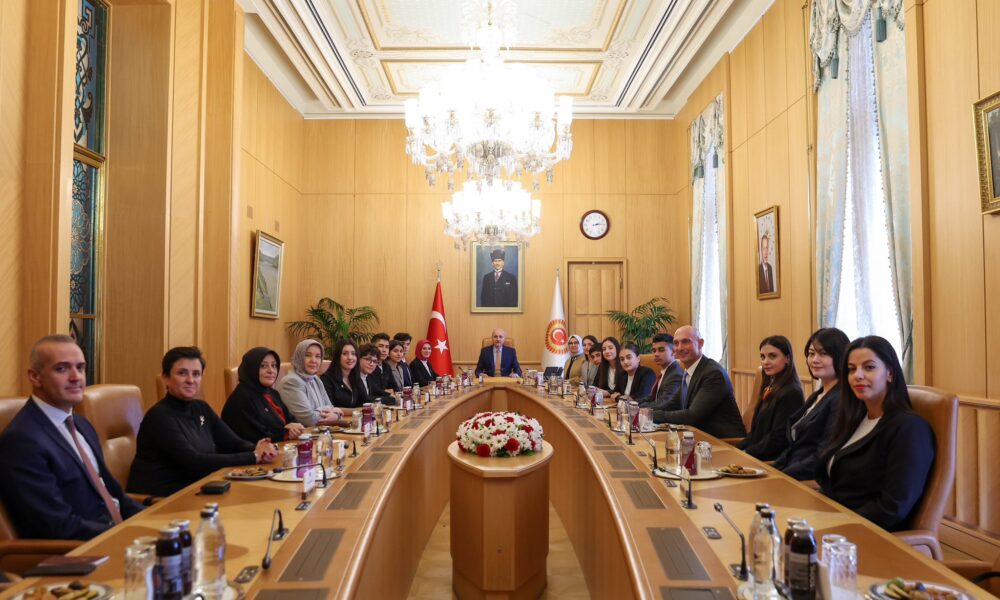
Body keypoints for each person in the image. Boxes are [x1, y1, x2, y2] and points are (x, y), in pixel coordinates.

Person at [0, 335, 143, 540]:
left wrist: (152, 522)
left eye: (80, 368)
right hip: (79, 550)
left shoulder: (81, 424)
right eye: (62, 369)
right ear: (35, 377)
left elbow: (115, 494)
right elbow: (58, 526)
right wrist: (126, 534)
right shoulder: (22, 441)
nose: (76, 377)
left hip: (114, 534)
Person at [816, 336, 934, 532]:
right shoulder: (854, 418)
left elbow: (892, 508)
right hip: (833, 521)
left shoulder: (910, 428)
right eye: (851, 369)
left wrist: (836, 523)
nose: (858, 375)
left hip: (867, 534)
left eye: (869, 367)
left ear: (890, 373)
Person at [128, 347, 278, 497]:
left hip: (199, 487)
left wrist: (259, 448)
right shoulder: (159, 416)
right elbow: (194, 461)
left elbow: (233, 443)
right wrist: (254, 456)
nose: (190, 380)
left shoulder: (201, 408)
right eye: (182, 373)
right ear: (166, 377)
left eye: (196, 374)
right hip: (163, 498)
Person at [774, 328, 850, 480]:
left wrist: (780, 476)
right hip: (788, 470)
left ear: (840, 356)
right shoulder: (818, 394)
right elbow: (794, 447)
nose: (814, 360)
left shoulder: (841, 398)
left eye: (823, 353)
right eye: (811, 353)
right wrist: (771, 470)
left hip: (806, 479)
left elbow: (822, 455)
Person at [651, 325, 746, 439]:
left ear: (700, 343)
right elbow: (672, 405)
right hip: (699, 437)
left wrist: (651, 415)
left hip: (724, 441)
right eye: (676, 343)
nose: (679, 348)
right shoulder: (689, 371)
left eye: (685, 342)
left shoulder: (713, 373)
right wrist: (642, 411)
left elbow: (693, 416)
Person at [737, 336, 804, 460]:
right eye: (763, 357)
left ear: (788, 359)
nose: (765, 362)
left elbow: (778, 439)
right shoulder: (770, 386)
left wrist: (746, 453)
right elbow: (756, 434)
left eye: (772, 356)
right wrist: (736, 450)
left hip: (771, 462)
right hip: (758, 455)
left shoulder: (791, 393)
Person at [222, 348, 305, 443]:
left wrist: (296, 427)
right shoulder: (241, 399)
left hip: (280, 447)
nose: (271, 370)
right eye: (263, 366)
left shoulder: (272, 393)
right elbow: (258, 437)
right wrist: (286, 432)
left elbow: (290, 419)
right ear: (251, 368)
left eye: (274, 365)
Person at [275, 339, 345, 427]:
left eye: (318, 356)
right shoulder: (291, 382)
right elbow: (309, 419)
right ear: (299, 357)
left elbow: (331, 407)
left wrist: (335, 415)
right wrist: (334, 415)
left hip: (318, 432)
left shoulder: (315, 379)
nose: (313, 360)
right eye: (307, 355)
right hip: (301, 434)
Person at [642, 333, 682, 411]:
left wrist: (636, 407)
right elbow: (652, 397)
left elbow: (664, 404)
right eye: (654, 350)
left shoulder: (676, 375)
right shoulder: (665, 371)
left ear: (673, 351)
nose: (656, 354)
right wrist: (633, 402)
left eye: (661, 350)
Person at [322, 339, 364, 409]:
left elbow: (365, 401)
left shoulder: (355, 377)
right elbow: (330, 408)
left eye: (353, 354)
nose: (350, 357)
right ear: (338, 357)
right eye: (345, 354)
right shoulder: (327, 379)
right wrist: (357, 411)